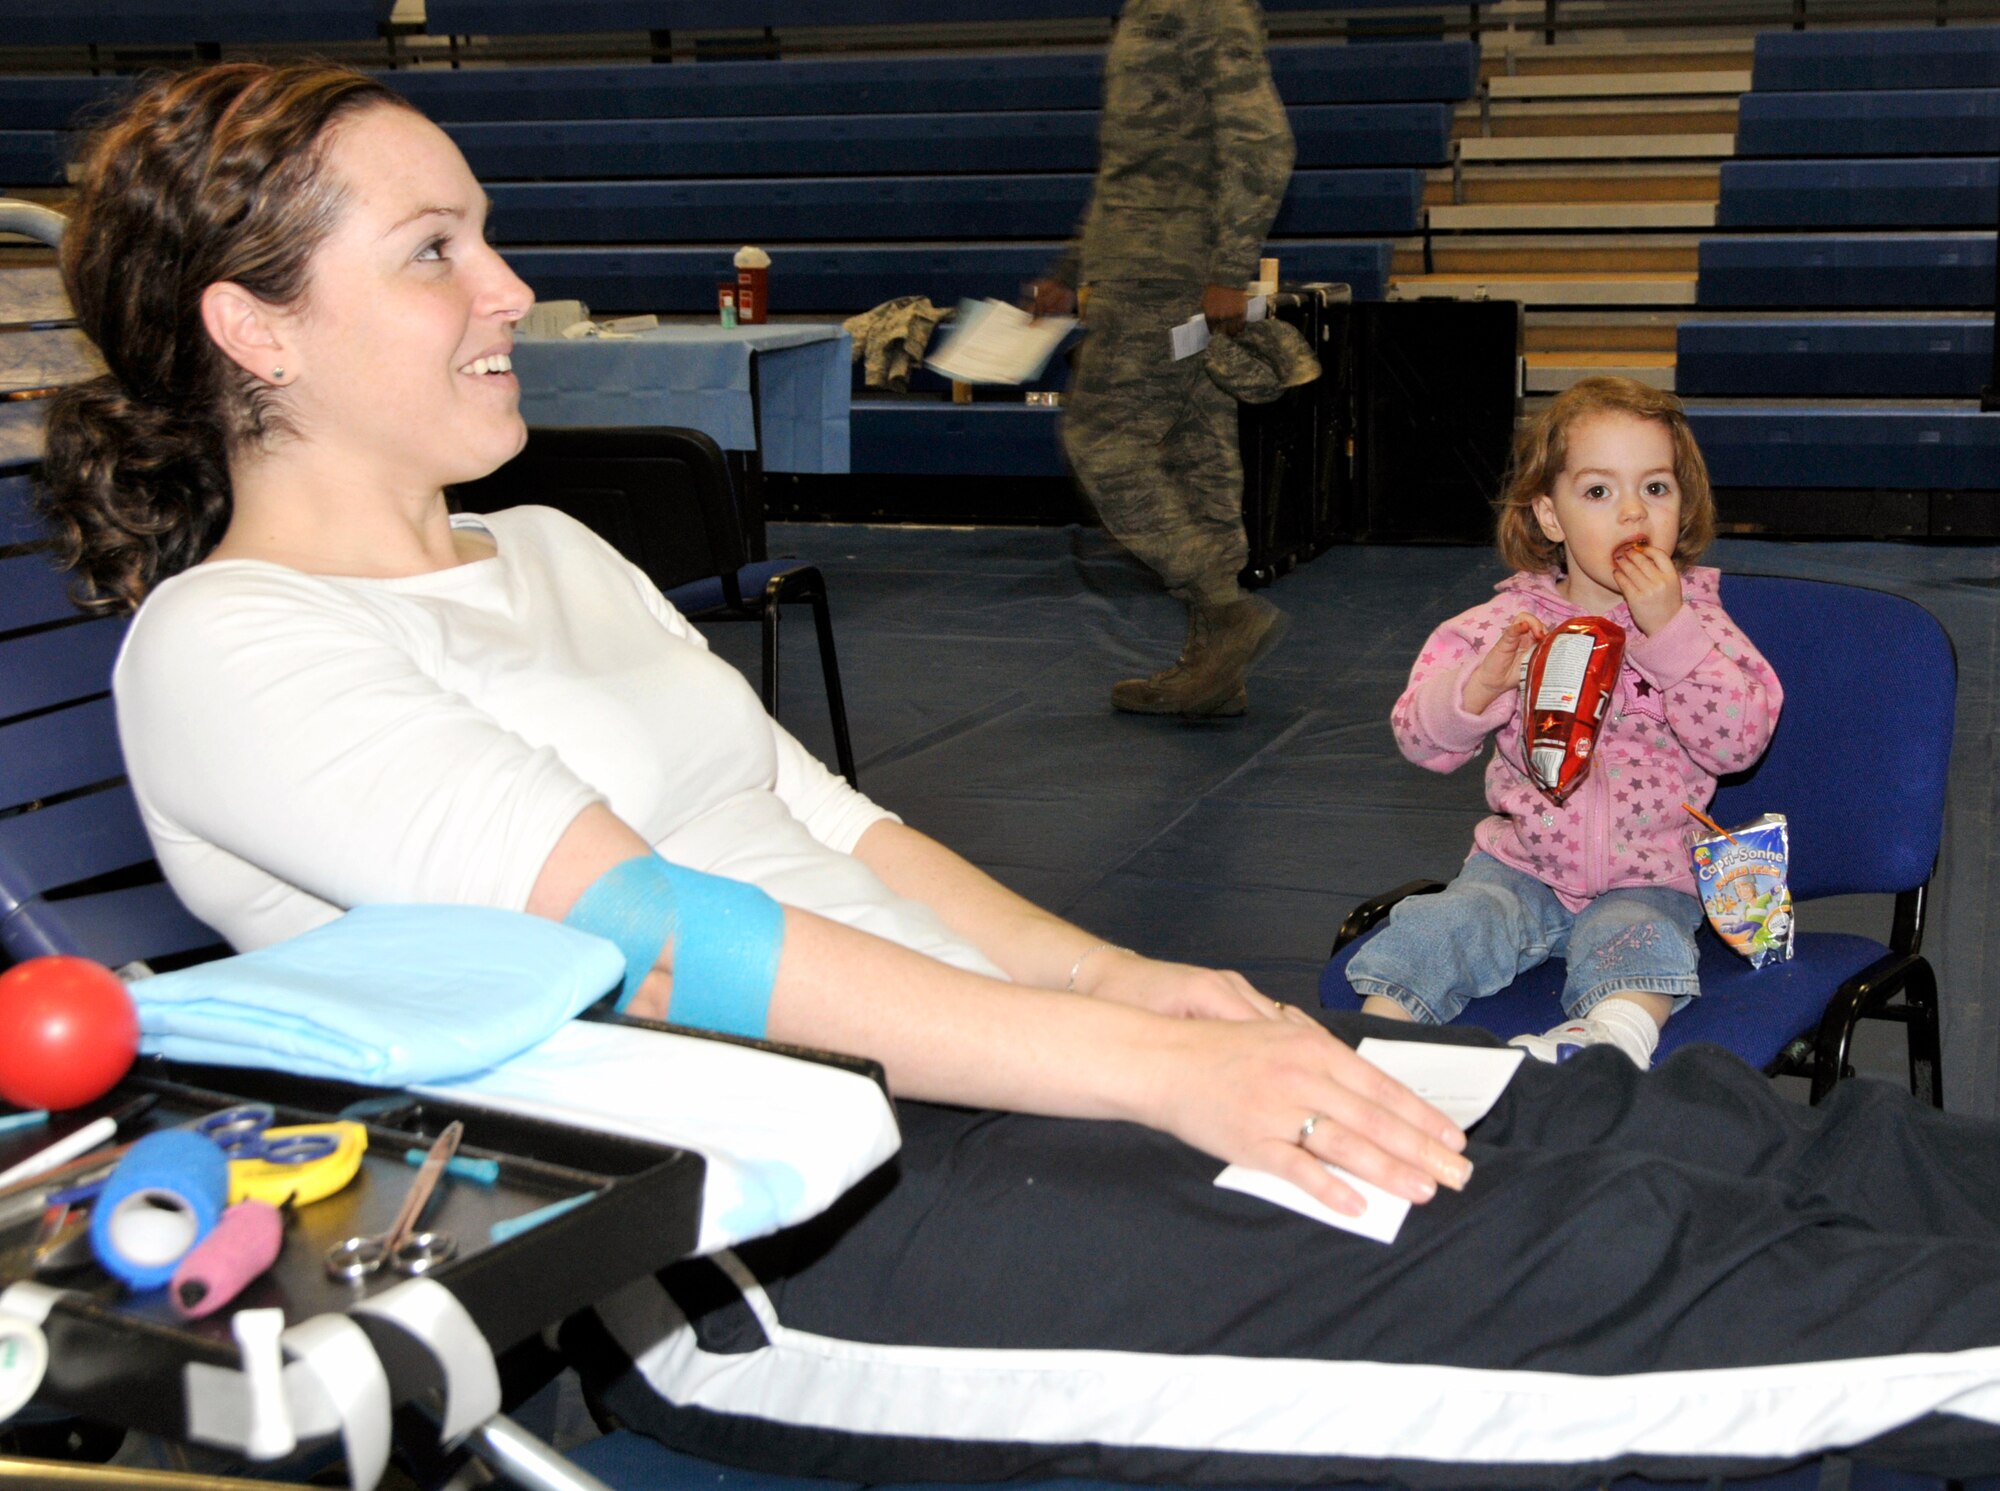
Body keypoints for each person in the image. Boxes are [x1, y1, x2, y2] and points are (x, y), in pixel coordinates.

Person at [45, 61, 2000, 1491]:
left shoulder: (547, 555)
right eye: (432, 252)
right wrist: (1147, 1067)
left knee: (1681, 1140)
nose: (502, 291)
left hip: (994, 1077)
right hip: (787, 1233)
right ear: (251, 327)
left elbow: (829, 828)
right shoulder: (235, 643)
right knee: (1666, 1294)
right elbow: (639, 942)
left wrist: (1120, 984)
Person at [1344, 379, 1781, 1071]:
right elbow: (1418, 737)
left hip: (1647, 873)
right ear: (1550, 515)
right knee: (1446, 923)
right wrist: (1477, 687)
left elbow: (1740, 740)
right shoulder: (1500, 623)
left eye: (1657, 489)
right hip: (1519, 866)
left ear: (1682, 506)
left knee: (1640, 940)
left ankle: (1605, 1045)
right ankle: (1373, 1050)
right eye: (1599, 492)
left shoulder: (1699, 623)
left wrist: (1669, 633)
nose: (1633, 511)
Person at [1028, 0, 1294, 720]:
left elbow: (1264, 143)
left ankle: (1221, 606)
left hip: (1167, 281)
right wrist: (1072, 267)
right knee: (1194, 454)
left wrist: (1230, 271)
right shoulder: (1151, 9)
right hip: (1146, 273)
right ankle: (1214, 667)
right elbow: (1134, 166)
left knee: (1102, 441)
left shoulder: (1203, 7)